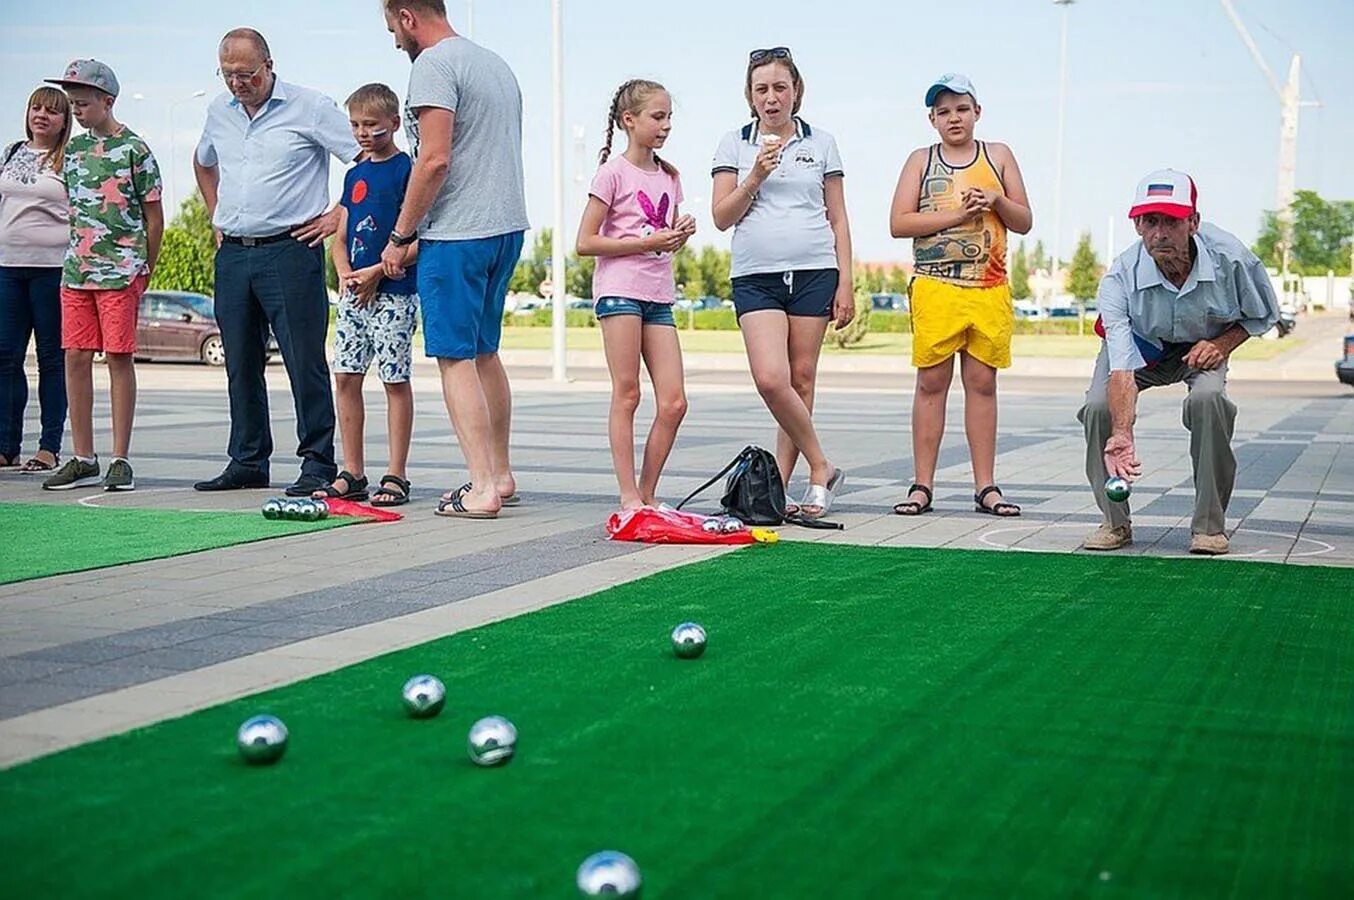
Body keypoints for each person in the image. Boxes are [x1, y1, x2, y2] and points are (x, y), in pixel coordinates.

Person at [192, 28, 361, 496]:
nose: (236, 83)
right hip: (234, 255)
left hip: (291, 250)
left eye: (245, 73)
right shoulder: (218, 112)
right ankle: (247, 460)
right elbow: (203, 161)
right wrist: (215, 213)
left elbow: (366, 161)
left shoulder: (310, 106)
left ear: (269, 65)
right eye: (227, 74)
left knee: (303, 361)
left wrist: (338, 215)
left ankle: (317, 463)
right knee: (240, 363)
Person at [380, 0, 530, 519]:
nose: (396, 41)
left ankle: (482, 487)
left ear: (406, 16)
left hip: (458, 233)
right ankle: (502, 474)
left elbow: (435, 158)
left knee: (455, 357)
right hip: (506, 227)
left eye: (392, 29)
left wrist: (401, 235)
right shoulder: (494, 64)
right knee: (485, 352)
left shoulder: (434, 65)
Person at [1079, 170, 1279, 556]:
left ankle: (1209, 527)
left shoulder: (1233, 259)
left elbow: (1263, 316)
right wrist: (1123, 433)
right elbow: (1122, 367)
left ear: (1193, 222)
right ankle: (1114, 522)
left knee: (1209, 401)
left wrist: (1222, 343)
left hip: (1203, 346)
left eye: (1171, 221)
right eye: (1150, 221)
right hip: (1144, 347)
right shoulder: (1120, 277)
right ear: (1137, 226)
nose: (1160, 233)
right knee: (1098, 407)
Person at [710, 46, 852, 518]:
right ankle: (822, 465)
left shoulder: (822, 142)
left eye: (780, 88)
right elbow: (721, 217)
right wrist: (755, 176)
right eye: (761, 89)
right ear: (750, 97)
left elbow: (838, 216)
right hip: (756, 275)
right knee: (772, 378)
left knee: (802, 377)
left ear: (796, 91)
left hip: (814, 269)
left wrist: (846, 281)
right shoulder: (735, 143)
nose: (771, 98)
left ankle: (785, 489)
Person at [888, 73, 1032, 518]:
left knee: (982, 384)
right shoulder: (920, 160)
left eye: (962, 109)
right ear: (932, 119)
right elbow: (899, 223)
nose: (954, 118)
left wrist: (995, 200)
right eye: (944, 111)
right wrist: (956, 214)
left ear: (977, 113)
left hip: (988, 287)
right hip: (936, 287)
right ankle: (922, 485)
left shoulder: (999, 156)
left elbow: (1024, 220)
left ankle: (985, 486)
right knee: (931, 383)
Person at [41, 60, 163, 492]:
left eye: (84, 103)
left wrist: (145, 265)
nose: (77, 110)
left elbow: (153, 216)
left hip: (122, 271)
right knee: (74, 357)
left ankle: (120, 458)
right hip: (76, 271)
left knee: (117, 358)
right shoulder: (72, 152)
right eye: (73, 103)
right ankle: (83, 456)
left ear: (107, 101)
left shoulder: (134, 149)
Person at [576, 79, 695, 511]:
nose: (665, 126)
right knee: (627, 393)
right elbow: (584, 242)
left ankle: (647, 493)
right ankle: (629, 496)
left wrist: (678, 235)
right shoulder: (611, 173)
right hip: (619, 292)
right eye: (657, 117)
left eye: (668, 118)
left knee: (674, 401)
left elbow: (661, 237)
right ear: (629, 120)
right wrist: (644, 244)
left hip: (658, 295)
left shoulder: (670, 176)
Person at [315, 83, 419, 507]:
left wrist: (379, 271)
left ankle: (396, 473)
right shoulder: (354, 174)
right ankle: (353, 471)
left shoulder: (406, 171)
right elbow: (341, 236)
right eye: (355, 125)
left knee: (394, 379)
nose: (361, 133)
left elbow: (420, 239)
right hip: (354, 295)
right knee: (345, 375)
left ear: (394, 124)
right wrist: (343, 270)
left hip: (393, 292)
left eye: (371, 125)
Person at [0, 87, 71, 475]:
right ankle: (6, 445)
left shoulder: (68, 160)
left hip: (52, 271)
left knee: (50, 360)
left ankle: (48, 447)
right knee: (6, 357)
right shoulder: (11, 153)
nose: (42, 115)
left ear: (64, 121)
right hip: (7, 267)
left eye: (52, 111)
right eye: (36, 108)